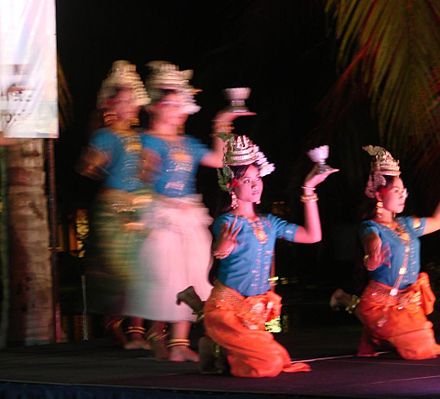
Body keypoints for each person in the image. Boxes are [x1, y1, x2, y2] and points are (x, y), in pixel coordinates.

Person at [181, 134, 338, 377]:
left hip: (253, 316)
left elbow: (312, 235)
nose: (255, 185)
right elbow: (219, 250)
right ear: (231, 185)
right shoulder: (227, 222)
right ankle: (217, 342)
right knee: (268, 365)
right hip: (226, 311)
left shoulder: (270, 223)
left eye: (257, 178)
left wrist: (309, 189)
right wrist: (222, 248)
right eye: (246, 180)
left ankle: (216, 349)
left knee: (278, 359)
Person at [126, 61, 253, 362]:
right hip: (158, 213)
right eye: (168, 103)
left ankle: (180, 343)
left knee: (193, 273)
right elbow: (136, 178)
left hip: (188, 213)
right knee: (163, 275)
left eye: (178, 104)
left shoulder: (187, 143)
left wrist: (222, 123)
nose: (175, 109)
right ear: (154, 107)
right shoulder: (143, 141)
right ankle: (154, 335)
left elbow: (217, 160)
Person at [330, 145, 440, 360]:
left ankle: (374, 331)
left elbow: (437, 221)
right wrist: (372, 256)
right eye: (397, 191)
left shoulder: (407, 224)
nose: (403, 195)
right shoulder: (371, 227)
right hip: (382, 301)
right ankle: (349, 302)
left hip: (408, 302)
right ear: (379, 194)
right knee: (420, 349)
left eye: (403, 190)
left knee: (425, 342)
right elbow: (371, 244)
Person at [77, 60, 152, 349]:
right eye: (122, 100)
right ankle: (115, 324)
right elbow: (86, 168)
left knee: (146, 269)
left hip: (142, 205)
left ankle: (137, 330)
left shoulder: (141, 137)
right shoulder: (104, 136)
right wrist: (93, 162)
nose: (128, 105)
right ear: (110, 105)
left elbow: (146, 172)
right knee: (124, 271)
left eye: (131, 100)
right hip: (115, 208)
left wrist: (149, 169)